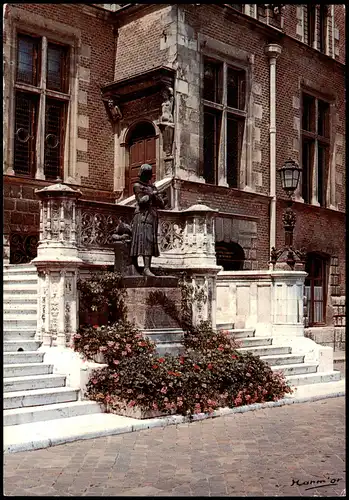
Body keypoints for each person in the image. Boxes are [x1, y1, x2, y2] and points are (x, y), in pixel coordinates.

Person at [130, 164, 165, 276]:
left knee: (149, 241)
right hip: (141, 216)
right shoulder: (137, 185)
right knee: (138, 242)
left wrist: (157, 197)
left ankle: (146, 268)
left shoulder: (153, 187)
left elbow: (162, 204)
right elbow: (141, 200)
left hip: (151, 216)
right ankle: (135, 266)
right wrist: (151, 195)